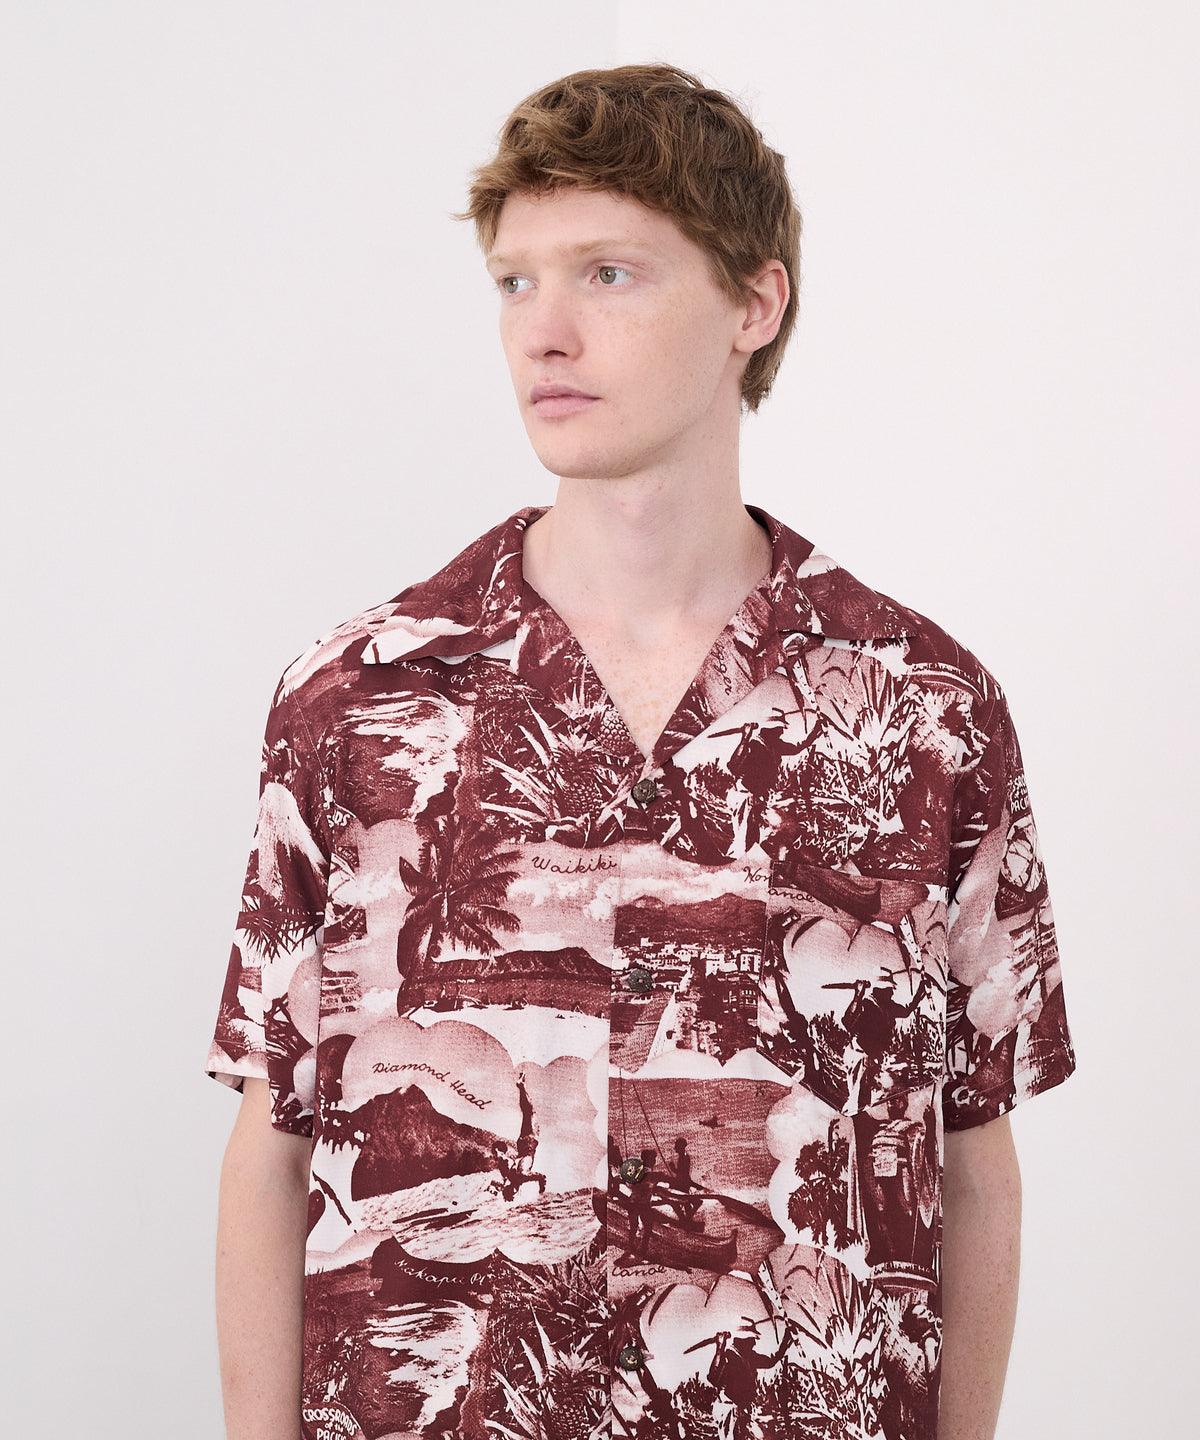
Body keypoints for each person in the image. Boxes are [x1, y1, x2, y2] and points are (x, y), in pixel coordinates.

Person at [208, 62, 1077, 1440]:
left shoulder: (925, 708)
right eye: (515, 283)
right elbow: (275, 1142)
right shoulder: (354, 701)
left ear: (754, 304)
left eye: (607, 275)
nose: (545, 333)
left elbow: (972, 1160)